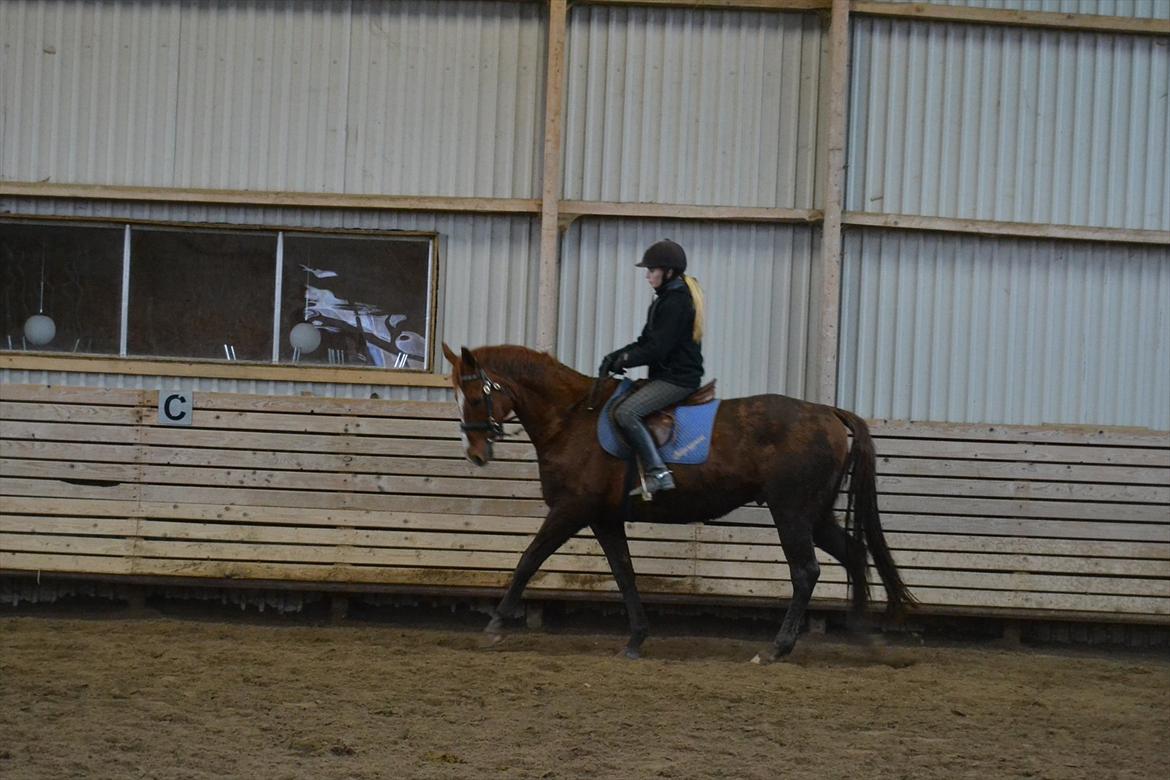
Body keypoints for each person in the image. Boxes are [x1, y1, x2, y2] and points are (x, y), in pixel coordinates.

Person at [599, 239, 705, 496]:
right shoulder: (666, 299)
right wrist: (617, 355)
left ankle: (659, 472)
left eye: (651, 270)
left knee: (626, 413)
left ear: (668, 272)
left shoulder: (676, 302)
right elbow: (646, 342)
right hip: (667, 376)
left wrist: (623, 361)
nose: (647, 276)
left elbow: (658, 349)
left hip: (677, 380)